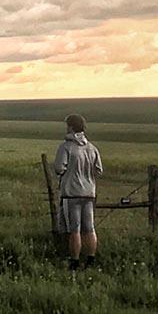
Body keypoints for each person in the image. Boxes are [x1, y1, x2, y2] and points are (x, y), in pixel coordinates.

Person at [52, 114, 104, 270]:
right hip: (89, 193)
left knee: (74, 229)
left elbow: (59, 168)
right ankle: (90, 259)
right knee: (89, 228)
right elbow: (99, 170)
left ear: (71, 127)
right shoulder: (92, 148)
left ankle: (74, 261)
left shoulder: (66, 147)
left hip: (71, 193)